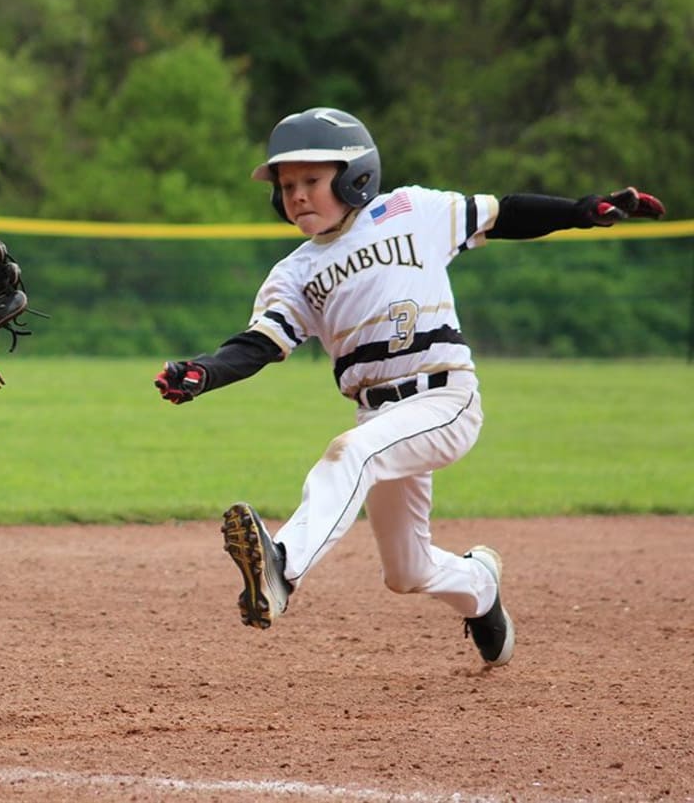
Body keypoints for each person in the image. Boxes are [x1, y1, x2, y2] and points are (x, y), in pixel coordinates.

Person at [154, 106, 665, 667]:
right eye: (287, 185)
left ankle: (282, 566)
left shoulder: (411, 209)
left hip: (446, 398)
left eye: (311, 181)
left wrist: (583, 211)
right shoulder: (294, 272)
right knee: (407, 570)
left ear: (356, 176)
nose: (297, 195)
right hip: (380, 417)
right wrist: (203, 372)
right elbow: (259, 345)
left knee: (349, 454)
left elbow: (501, 213)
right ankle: (480, 587)